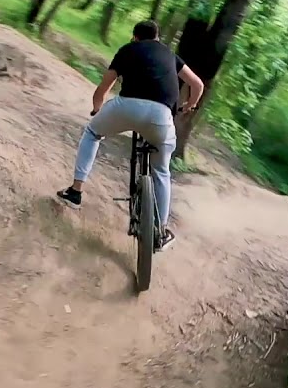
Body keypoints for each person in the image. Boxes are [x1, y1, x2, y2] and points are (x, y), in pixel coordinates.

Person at [56, 19, 204, 251]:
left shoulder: (128, 50)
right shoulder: (171, 55)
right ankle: (161, 230)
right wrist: (190, 106)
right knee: (161, 171)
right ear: (157, 38)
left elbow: (103, 89)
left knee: (92, 133)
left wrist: (97, 108)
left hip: (126, 107)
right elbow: (197, 84)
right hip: (162, 116)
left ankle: (75, 191)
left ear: (135, 37)